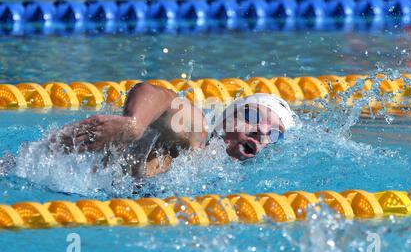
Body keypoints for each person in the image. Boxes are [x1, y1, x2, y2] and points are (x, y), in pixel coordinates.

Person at [54, 82, 296, 177]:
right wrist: (134, 124)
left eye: (274, 133)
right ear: (226, 117)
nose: (261, 131)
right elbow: (161, 96)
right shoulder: (199, 134)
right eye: (252, 116)